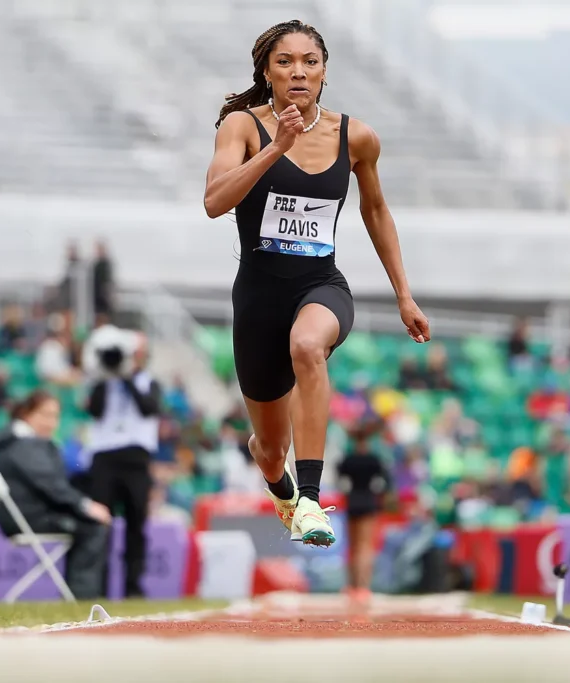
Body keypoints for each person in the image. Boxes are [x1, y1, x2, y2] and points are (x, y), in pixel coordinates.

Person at [204, 19, 430, 547]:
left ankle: (310, 498)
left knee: (308, 345)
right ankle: (284, 491)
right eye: (285, 62)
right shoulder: (241, 126)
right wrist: (276, 147)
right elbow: (215, 202)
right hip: (259, 298)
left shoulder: (356, 136)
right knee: (266, 449)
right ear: (267, 71)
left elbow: (376, 210)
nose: (298, 72)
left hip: (321, 286)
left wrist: (404, 295)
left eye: (310, 61)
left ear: (325, 73)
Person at [0, 390, 111, 599]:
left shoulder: (27, 443)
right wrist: (85, 505)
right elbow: (51, 485)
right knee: (93, 527)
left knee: (90, 523)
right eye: (45, 415)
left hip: (32, 513)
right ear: (27, 414)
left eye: (55, 416)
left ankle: (78, 596)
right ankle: (83, 599)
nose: (51, 422)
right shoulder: (24, 445)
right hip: (28, 517)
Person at [84, 328, 161, 598]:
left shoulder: (148, 381)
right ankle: (98, 586)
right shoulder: (102, 381)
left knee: (136, 524)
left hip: (136, 460)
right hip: (105, 457)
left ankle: (133, 587)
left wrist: (126, 376)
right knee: (101, 523)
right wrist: (108, 375)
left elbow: (148, 407)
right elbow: (94, 410)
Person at [337, 424, 390, 602]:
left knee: (352, 546)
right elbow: (385, 483)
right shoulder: (374, 460)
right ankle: (363, 586)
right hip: (368, 503)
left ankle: (351, 585)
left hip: (352, 503)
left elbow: (341, 481)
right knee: (365, 547)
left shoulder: (347, 459)